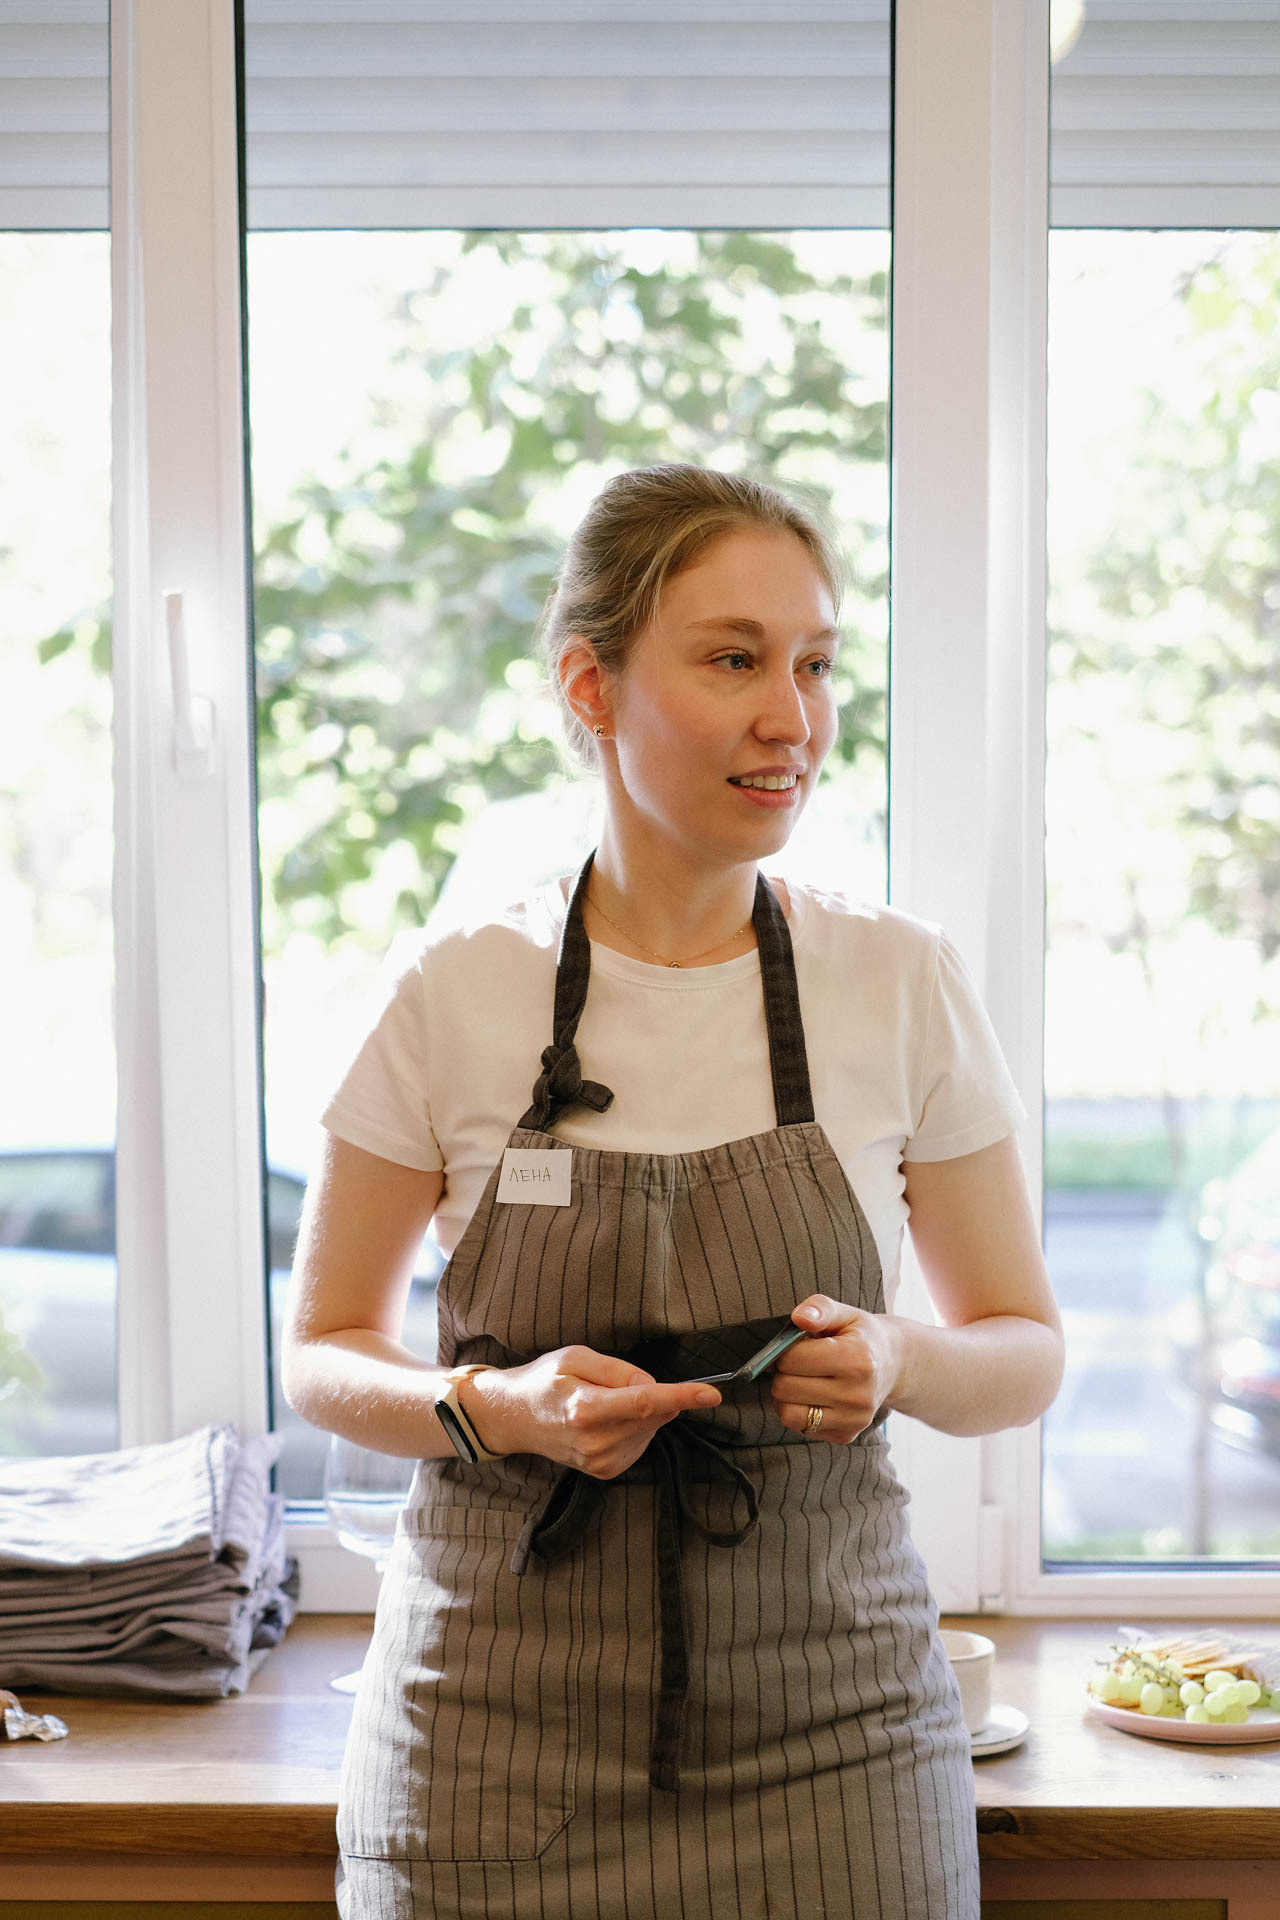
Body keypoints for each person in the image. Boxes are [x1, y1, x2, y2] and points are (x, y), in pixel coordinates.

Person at [282, 463, 1064, 1920]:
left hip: (838, 1751)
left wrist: (899, 1359)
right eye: (734, 660)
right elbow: (323, 1352)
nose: (794, 719)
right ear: (593, 685)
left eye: (815, 663)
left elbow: (1023, 1348)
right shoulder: (454, 990)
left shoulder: (900, 979)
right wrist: (495, 1408)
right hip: (486, 1747)